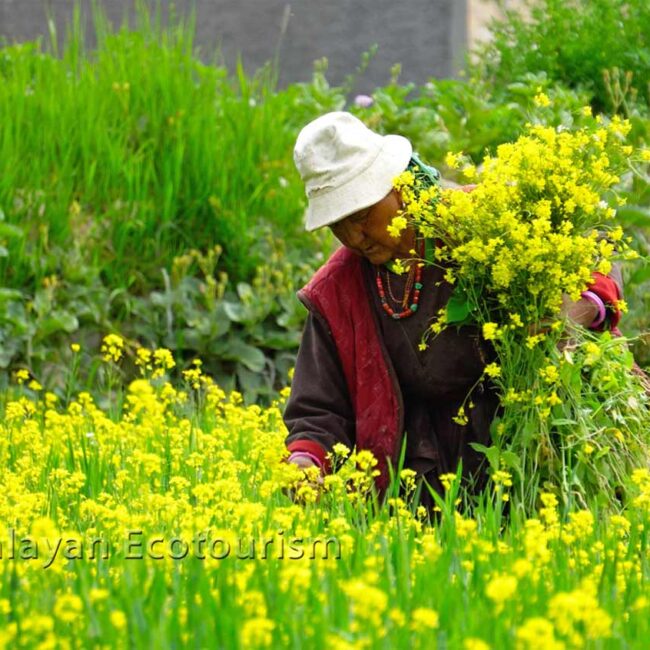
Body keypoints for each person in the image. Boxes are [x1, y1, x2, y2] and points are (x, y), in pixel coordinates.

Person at [282, 111, 623, 511]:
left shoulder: (481, 221)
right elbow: (318, 409)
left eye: (360, 215)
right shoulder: (335, 292)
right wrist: (305, 463)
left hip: (527, 462)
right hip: (416, 489)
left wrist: (574, 310)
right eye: (338, 225)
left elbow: (596, 247)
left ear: (401, 188)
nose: (354, 236)